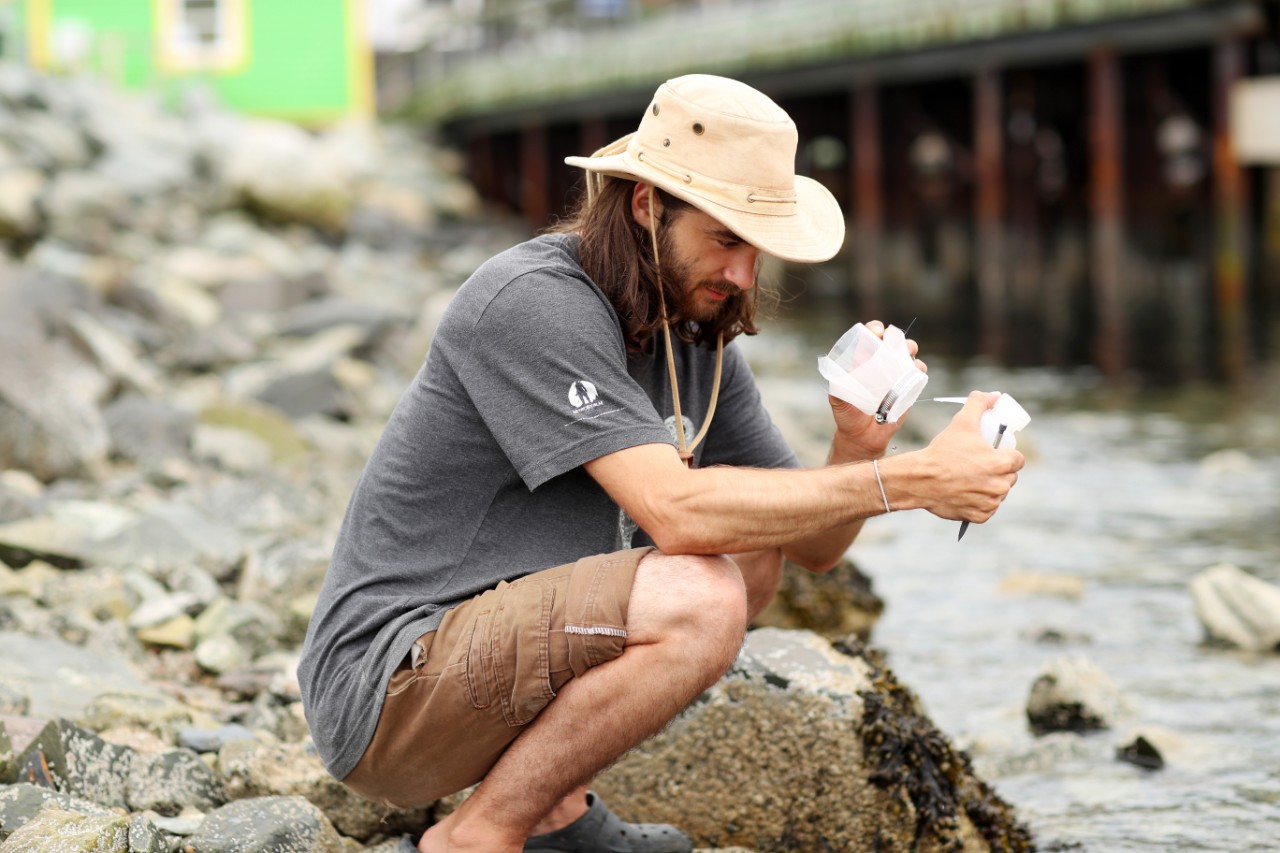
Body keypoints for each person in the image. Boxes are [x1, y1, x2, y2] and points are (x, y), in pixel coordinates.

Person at [298, 74, 1024, 853]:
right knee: (701, 595)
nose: (744, 275)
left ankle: (554, 815)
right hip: (388, 681)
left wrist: (857, 446)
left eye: (757, 248)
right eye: (724, 238)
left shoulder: (693, 339)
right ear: (646, 208)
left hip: (479, 670)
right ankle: (479, 835)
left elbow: (814, 549)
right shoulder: (533, 301)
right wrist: (911, 480)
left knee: (750, 562)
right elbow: (674, 513)